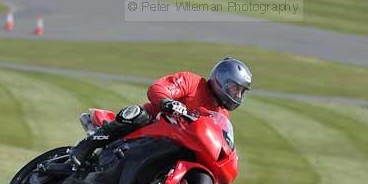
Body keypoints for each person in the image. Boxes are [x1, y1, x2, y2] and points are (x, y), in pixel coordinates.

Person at [68, 56, 252, 168]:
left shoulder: (221, 115)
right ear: (221, 79)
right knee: (137, 114)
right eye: (235, 88)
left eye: (240, 91)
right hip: (151, 125)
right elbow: (158, 88)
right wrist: (167, 102)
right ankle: (86, 147)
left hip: (179, 144)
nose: (237, 94)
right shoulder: (193, 83)